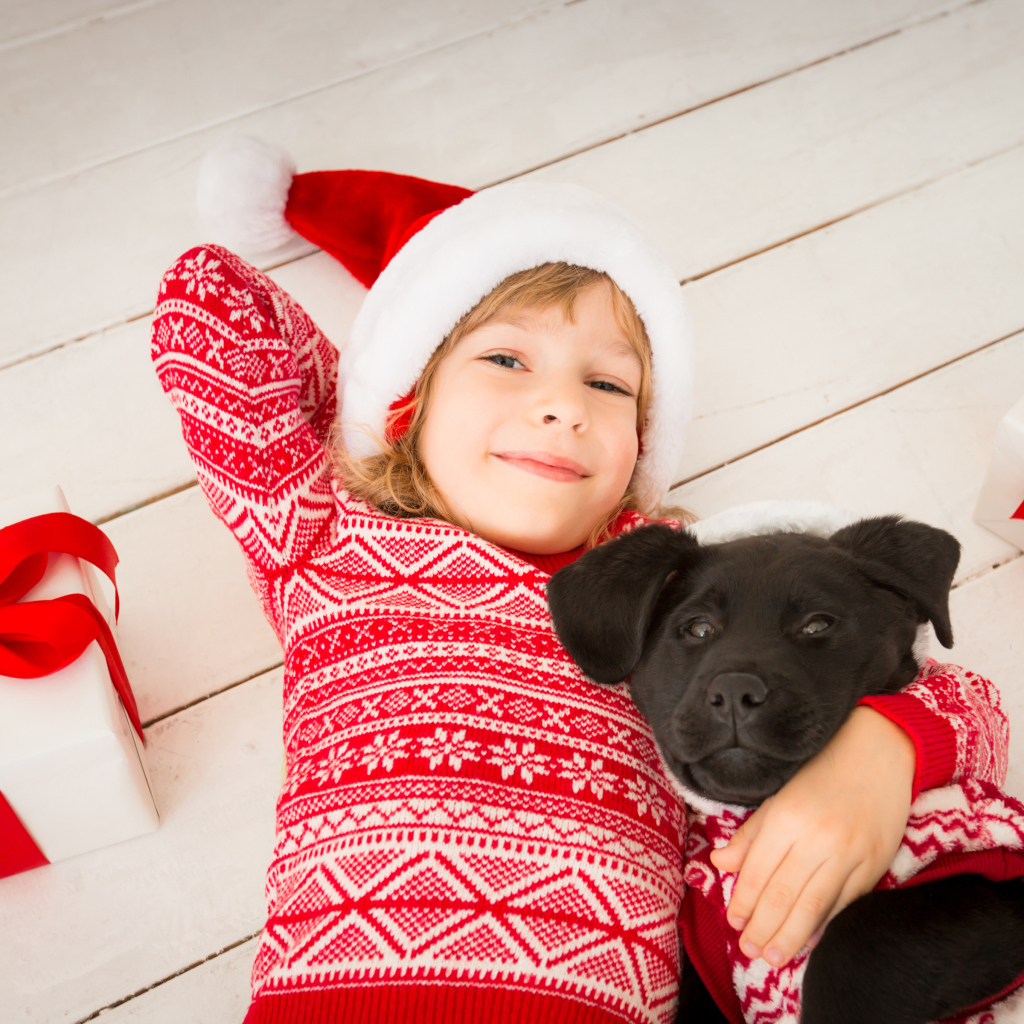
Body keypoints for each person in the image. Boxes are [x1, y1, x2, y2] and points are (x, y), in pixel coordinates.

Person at [152, 138, 1009, 1024]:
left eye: (607, 384)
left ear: (640, 447)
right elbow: (205, 309)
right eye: (506, 362)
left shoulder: (673, 582)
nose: (563, 404)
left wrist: (883, 752)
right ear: (408, 401)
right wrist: (374, 382)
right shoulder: (327, 543)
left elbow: (962, 700)